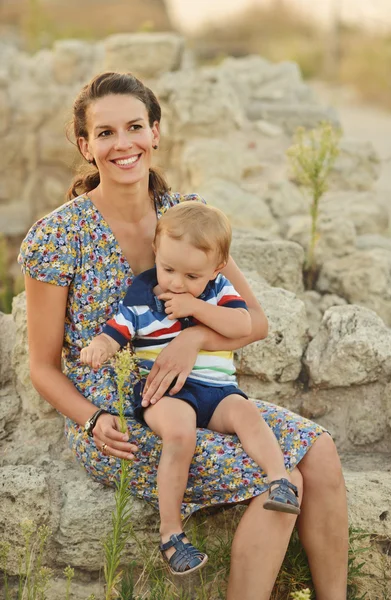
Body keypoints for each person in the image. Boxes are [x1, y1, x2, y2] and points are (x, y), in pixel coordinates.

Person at [19, 71, 348, 599]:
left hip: (204, 389)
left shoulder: (187, 215)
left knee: (322, 450)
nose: (122, 144)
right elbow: (42, 366)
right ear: (85, 145)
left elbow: (253, 323)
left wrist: (193, 338)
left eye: (134, 127)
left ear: (155, 132)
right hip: (122, 413)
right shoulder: (59, 235)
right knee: (285, 482)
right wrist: (94, 420)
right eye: (105, 133)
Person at [80, 201, 301, 575]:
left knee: (248, 414)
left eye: (191, 276)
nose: (177, 283)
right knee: (180, 435)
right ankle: (171, 534)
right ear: (156, 252)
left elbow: (243, 325)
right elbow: (117, 329)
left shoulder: (218, 290)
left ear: (216, 268)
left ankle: (280, 482)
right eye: (168, 269)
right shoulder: (143, 293)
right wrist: (101, 346)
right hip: (165, 392)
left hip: (216, 390)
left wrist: (195, 309)